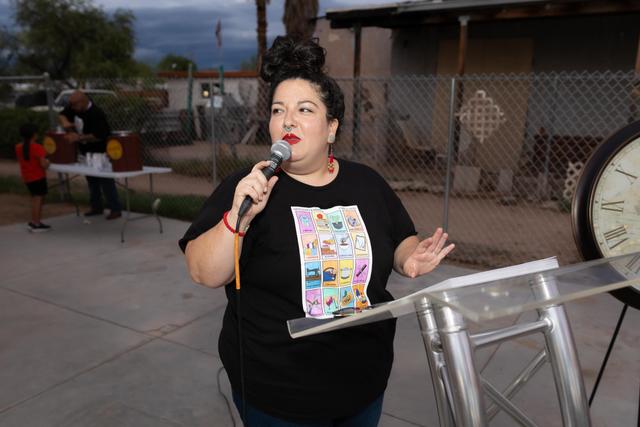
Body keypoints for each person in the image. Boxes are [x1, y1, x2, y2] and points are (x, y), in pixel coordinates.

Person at [179, 36, 454, 426]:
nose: (287, 120)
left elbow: (399, 238)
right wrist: (237, 219)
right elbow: (204, 271)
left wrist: (411, 256)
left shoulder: (367, 183)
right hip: (277, 395)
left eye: (304, 109)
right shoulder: (251, 185)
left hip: (362, 383)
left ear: (331, 128)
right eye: (278, 110)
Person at [58, 90, 122, 219]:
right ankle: (96, 207)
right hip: (86, 151)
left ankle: (115, 208)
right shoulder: (74, 107)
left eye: (75, 105)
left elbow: (99, 136)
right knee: (92, 180)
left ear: (82, 102)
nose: (73, 108)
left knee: (105, 180)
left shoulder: (97, 113)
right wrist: (66, 124)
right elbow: (62, 115)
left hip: (100, 151)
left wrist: (78, 138)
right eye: (72, 105)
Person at [15, 123, 51, 232]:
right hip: (38, 177)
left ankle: (35, 221)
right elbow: (44, 164)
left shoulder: (18, 147)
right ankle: (36, 223)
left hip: (28, 177)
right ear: (34, 135)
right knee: (38, 200)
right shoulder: (38, 147)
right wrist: (48, 162)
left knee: (36, 199)